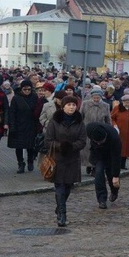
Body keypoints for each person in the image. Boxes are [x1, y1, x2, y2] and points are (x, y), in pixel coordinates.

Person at [45, 96, 87, 227]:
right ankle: (62, 214)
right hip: (58, 159)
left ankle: (59, 206)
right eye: (69, 104)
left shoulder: (79, 122)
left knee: (68, 186)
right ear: (63, 106)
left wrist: (71, 147)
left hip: (73, 159)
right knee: (60, 186)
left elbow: (82, 141)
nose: (71, 107)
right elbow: (48, 140)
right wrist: (61, 146)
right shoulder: (54, 121)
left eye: (74, 105)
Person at [86, 122, 122, 210]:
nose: (99, 143)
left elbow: (116, 158)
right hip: (98, 155)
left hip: (111, 155)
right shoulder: (90, 129)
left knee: (111, 175)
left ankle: (114, 191)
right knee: (98, 174)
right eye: (97, 142)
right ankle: (101, 199)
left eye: (101, 142)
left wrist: (116, 176)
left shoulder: (114, 137)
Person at [7, 79, 39, 173]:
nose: (27, 91)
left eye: (29, 89)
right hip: (19, 125)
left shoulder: (34, 97)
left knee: (30, 146)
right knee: (19, 146)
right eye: (25, 89)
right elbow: (12, 113)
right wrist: (12, 126)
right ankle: (20, 163)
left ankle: (30, 161)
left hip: (31, 125)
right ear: (21, 89)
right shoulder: (16, 98)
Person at [81, 88, 113, 175]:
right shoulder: (85, 104)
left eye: (98, 98)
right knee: (87, 149)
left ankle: (95, 168)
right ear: (91, 97)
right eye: (94, 97)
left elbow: (108, 120)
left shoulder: (105, 106)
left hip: (99, 132)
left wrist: (109, 130)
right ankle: (88, 165)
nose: (96, 99)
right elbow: (81, 116)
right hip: (87, 130)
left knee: (97, 150)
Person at [111, 94, 129, 170]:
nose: (128, 104)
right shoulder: (117, 108)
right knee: (118, 148)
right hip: (118, 132)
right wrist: (114, 125)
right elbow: (112, 118)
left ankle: (123, 165)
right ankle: (116, 164)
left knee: (126, 149)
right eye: (126, 102)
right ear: (123, 102)